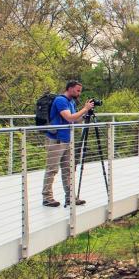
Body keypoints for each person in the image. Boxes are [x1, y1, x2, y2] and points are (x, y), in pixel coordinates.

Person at [42, 80, 95, 208]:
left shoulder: (70, 102)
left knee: (68, 170)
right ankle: (47, 198)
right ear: (70, 88)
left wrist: (86, 114)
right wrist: (85, 108)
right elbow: (69, 118)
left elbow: (75, 120)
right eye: (77, 90)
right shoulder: (61, 101)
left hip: (67, 140)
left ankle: (70, 198)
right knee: (52, 169)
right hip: (56, 140)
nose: (79, 93)